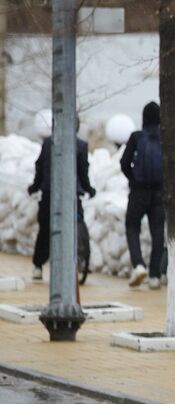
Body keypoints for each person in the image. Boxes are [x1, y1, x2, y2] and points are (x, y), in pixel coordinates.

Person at [27, 111, 96, 280]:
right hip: (72, 194)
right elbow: (83, 172)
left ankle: (38, 265)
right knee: (76, 223)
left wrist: (34, 187)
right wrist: (89, 189)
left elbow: (40, 169)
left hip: (49, 193)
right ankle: (80, 258)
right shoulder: (81, 145)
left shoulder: (48, 143)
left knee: (45, 230)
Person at [120, 101, 165, 289]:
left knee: (132, 225)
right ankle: (155, 275)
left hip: (139, 191)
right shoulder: (165, 137)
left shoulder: (136, 137)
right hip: (159, 193)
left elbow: (124, 162)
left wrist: (134, 178)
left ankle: (138, 265)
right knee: (158, 232)